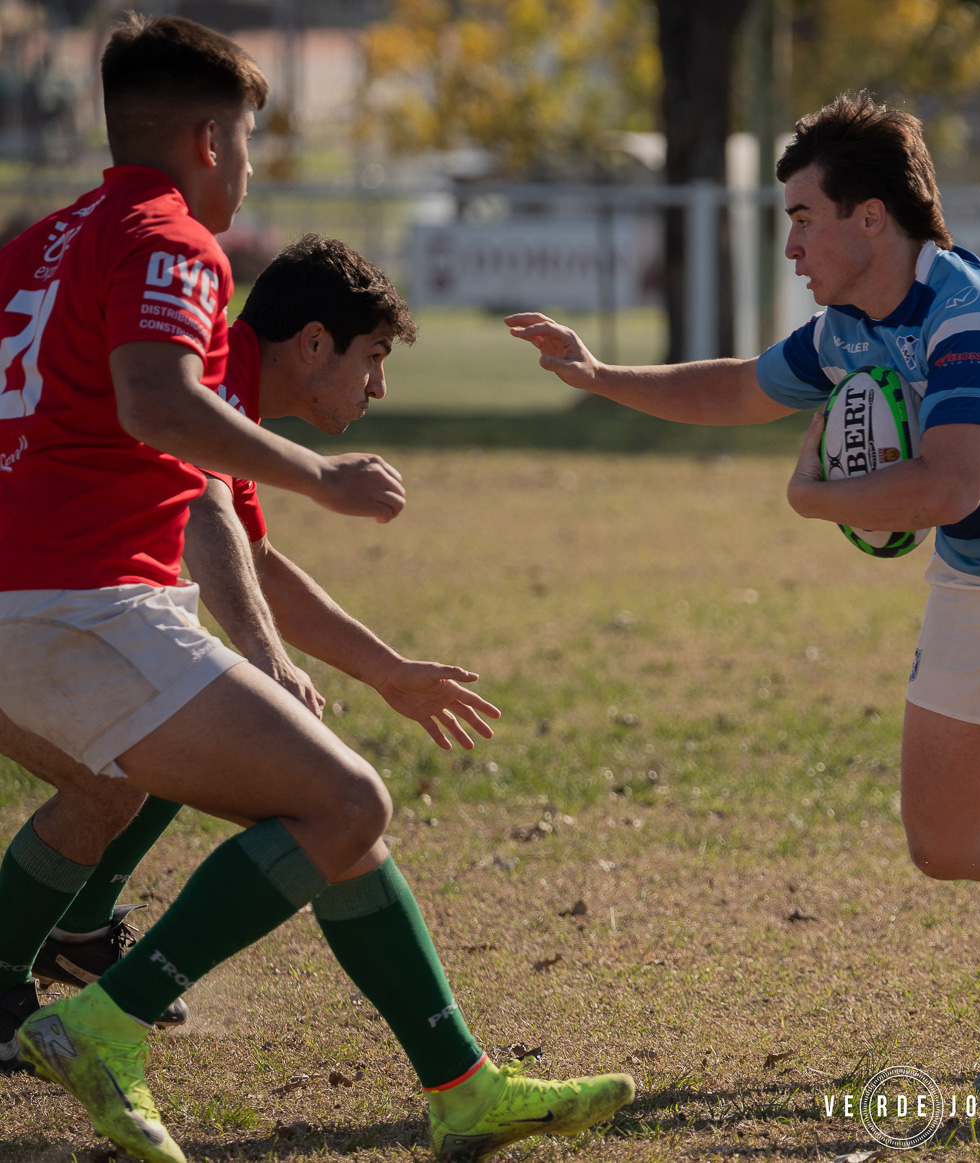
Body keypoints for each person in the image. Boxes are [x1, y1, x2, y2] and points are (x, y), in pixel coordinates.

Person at [0, 17, 631, 1161]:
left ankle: (460, 1085)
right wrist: (321, 478)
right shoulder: (172, 241)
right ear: (205, 139)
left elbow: (179, 482)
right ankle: (107, 1016)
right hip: (81, 598)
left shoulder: (42, 242)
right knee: (346, 803)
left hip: (28, 602)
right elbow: (162, 420)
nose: (247, 171)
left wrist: (368, 666)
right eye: (245, 142)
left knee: (312, 812)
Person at [508, 92, 980, 1098]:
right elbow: (738, 387)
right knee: (946, 842)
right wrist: (600, 373)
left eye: (801, 216)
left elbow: (948, 484)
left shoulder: (971, 316)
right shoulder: (850, 329)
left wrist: (812, 498)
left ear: (872, 218)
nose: (791, 244)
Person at [0, 234, 505, 1060]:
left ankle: (76, 934)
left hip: (35, 605)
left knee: (157, 740)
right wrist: (264, 660)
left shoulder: (223, 386)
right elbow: (204, 508)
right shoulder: (201, 370)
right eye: (372, 357)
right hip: (39, 607)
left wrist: (387, 672)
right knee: (300, 782)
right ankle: (77, 1008)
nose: (380, 384)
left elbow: (255, 561)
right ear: (312, 343)